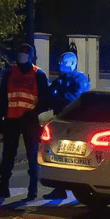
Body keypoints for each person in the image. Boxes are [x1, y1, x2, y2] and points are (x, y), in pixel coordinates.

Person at [0, 44, 49, 199]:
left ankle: (32, 189)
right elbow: (2, 100)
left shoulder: (38, 75)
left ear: (30, 55)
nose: (21, 56)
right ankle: (3, 187)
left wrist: (36, 114)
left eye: (24, 53)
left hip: (29, 120)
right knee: (8, 155)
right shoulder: (10, 73)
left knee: (32, 155)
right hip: (12, 119)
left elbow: (45, 100)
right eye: (20, 53)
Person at [42, 52, 90, 200]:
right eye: (61, 62)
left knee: (78, 158)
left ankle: (83, 189)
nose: (62, 65)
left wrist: (58, 98)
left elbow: (73, 98)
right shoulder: (60, 80)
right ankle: (59, 189)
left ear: (72, 63)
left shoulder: (80, 79)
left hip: (76, 123)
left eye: (65, 62)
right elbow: (49, 97)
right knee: (59, 156)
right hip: (61, 122)